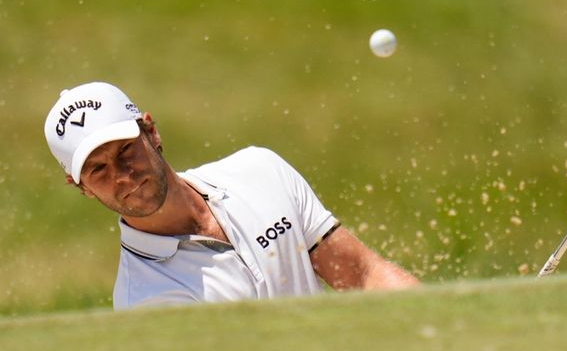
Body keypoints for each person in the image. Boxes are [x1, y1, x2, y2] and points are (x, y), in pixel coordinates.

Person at [44, 82, 419, 310]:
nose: (123, 175)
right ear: (82, 187)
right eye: (98, 170)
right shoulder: (145, 299)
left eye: (126, 150)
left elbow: (364, 275)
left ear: (151, 132)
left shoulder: (260, 171)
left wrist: (441, 323)